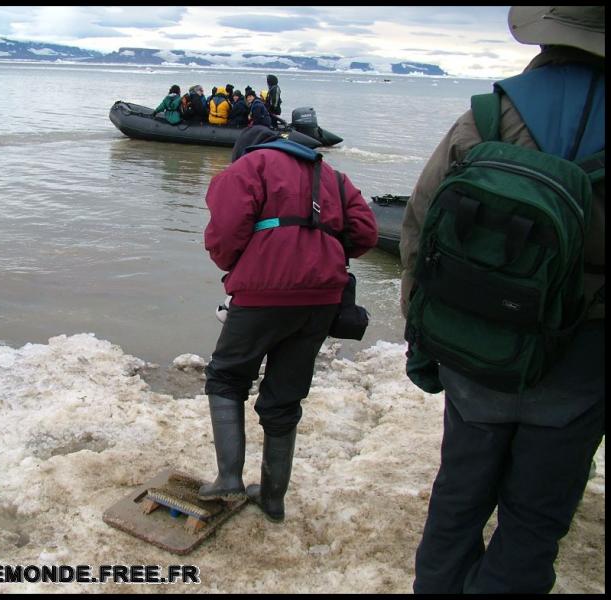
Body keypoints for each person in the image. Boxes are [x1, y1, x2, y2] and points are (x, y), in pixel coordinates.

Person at [399, 6, 605, 594]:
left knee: (458, 497)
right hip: (582, 359)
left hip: (476, 343)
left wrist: (425, 337)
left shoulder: (488, 116)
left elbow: (418, 225)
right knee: (534, 521)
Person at [199, 125, 378, 522]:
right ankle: (273, 498)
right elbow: (366, 233)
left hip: (262, 294)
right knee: (285, 397)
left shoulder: (248, 166)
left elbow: (224, 235)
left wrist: (245, 263)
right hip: (321, 300)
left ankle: (229, 479)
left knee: (227, 377)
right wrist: (319, 255)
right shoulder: (332, 175)